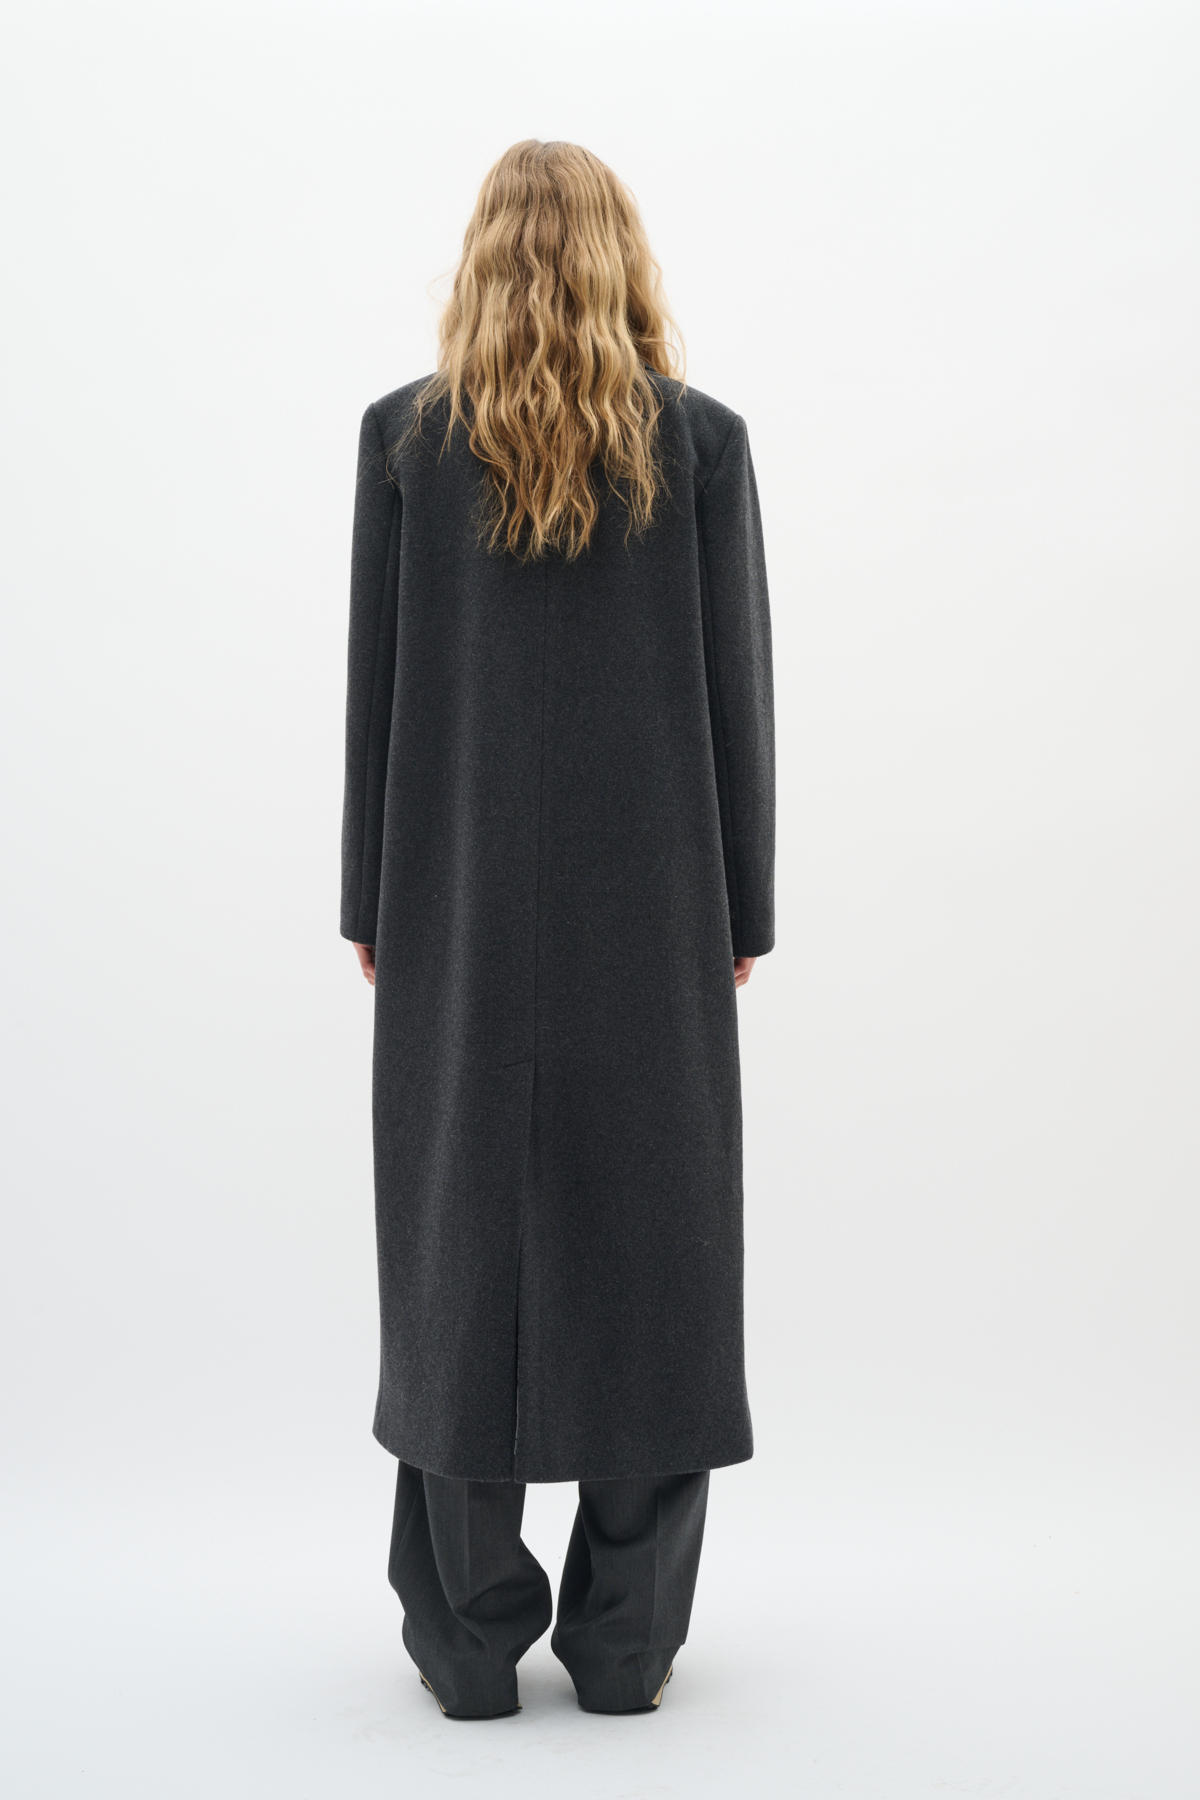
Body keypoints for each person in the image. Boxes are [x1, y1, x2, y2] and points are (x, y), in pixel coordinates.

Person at [340, 139, 774, 1719]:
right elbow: (738, 697)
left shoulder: (406, 440)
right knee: (657, 1252)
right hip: (655, 913)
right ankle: (625, 1647)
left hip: (449, 912)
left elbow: (376, 696)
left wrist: (369, 904)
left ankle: (467, 1645)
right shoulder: (699, 443)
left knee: (458, 1250)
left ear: (481, 256)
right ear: (619, 256)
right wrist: (744, 910)